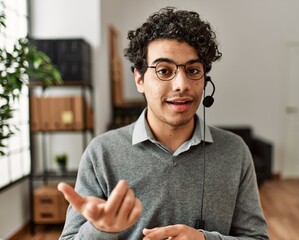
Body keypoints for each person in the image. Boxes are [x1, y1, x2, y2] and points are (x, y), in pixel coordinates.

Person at [58, 6, 269, 240]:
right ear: (139, 79)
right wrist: (100, 230)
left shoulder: (235, 151)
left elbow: (257, 238)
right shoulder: (102, 152)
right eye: (164, 70)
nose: (181, 84)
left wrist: (205, 239)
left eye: (192, 70)